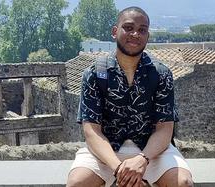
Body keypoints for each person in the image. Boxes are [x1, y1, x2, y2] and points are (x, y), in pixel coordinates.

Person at [66, 6, 193, 187]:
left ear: (147, 37)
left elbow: (165, 129)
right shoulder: (94, 73)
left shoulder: (161, 74)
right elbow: (91, 131)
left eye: (142, 30)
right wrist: (120, 170)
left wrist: (142, 160)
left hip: (152, 151)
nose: (135, 34)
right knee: (76, 183)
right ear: (115, 31)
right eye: (128, 27)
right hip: (106, 151)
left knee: (184, 183)